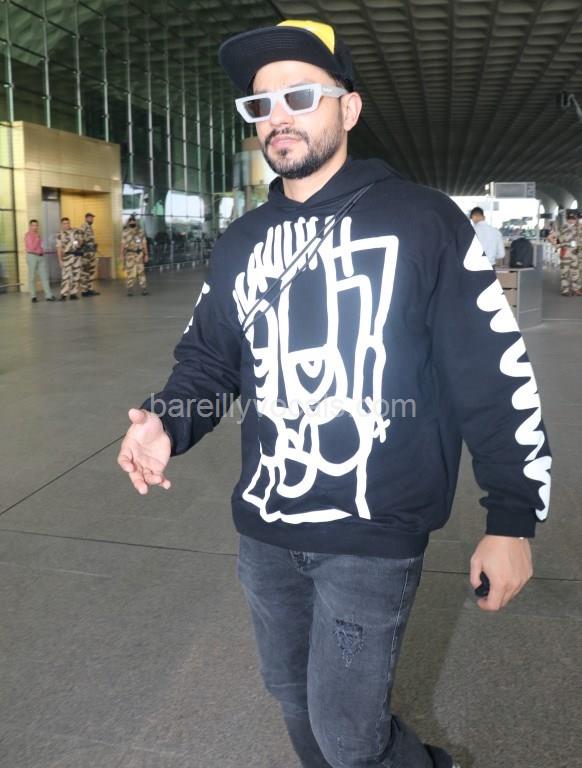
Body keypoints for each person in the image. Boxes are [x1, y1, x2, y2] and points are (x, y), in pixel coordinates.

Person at [117, 20, 552, 768]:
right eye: (261, 105)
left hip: (371, 537)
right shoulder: (241, 243)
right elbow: (210, 359)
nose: (277, 117)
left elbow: (490, 371)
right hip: (265, 531)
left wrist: (511, 518)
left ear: (347, 108)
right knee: (292, 696)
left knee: (350, 735)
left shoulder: (423, 222)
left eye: (299, 96)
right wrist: (167, 420)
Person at [548, 210, 580, 296]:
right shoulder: (562, 228)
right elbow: (550, 237)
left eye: (573, 219)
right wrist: (557, 245)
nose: (572, 220)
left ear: (576, 219)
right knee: (565, 273)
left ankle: (575, 289)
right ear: (567, 219)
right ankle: (565, 290)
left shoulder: (578, 229)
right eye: (570, 218)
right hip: (566, 253)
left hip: (575, 253)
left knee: (575, 272)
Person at [24, 219, 55, 302]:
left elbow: (41, 246)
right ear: (30, 226)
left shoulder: (38, 234)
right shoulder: (28, 235)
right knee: (32, 277)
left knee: (44, 277)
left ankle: (49, 295)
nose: (35, 227)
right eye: (33, 225)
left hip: (41, 257)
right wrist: (37, 238)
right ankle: (33, 297)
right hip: (32, 256)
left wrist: (43, 250)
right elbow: (31, 248)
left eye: (36, 225)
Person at [56, 217, 84, 301]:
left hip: (76, 256)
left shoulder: (75, 231)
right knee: (65, 276)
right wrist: (60, 260)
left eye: (67, 223)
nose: (66, 225)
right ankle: (63, 294)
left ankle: (73, 293)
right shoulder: (60, 234)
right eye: (64, 223)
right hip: (66, 257)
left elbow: (81, 241)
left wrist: (79, 242)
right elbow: (59, 248)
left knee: (76, 275)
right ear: (61, 224)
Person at [120, 215, 149, 296]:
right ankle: (129, 289)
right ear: (129, 222)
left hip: (139, 254)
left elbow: (144, 243)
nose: (132, 222)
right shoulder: (125, 232)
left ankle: (144, 288)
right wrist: (121, 254)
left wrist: (146, 254)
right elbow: (122, 244)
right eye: (131, 221)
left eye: (133, 221)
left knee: (141, 272)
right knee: (130, 272)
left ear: (136, 222)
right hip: (129, 254)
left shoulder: (140, 231)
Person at [80, 212, 100, 297]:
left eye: (92, 218)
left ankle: (90, 289)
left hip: (91, 253)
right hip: (86, 253)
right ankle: (84, 291)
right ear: (86, 218)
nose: (91, 219)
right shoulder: (83, 227)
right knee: (85, 272)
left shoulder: (90, 227)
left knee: (91, 272)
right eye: (90, 218)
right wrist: (83, 248)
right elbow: (81, 240)